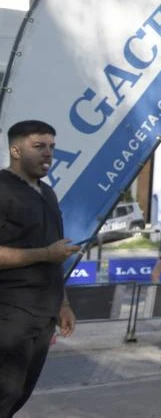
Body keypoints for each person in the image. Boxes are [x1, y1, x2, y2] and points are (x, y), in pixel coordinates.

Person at [0, 120, 80, 417]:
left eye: (52, 147)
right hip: (9, 314)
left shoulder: (48, 194)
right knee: (4, 392)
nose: (48, 154)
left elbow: (56, 252)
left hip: (44, 314)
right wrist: (45, 254)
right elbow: (50, 252)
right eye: (39, 146)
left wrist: (63, 303)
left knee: (19, 394)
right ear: (15, 149)